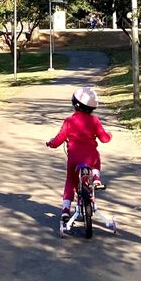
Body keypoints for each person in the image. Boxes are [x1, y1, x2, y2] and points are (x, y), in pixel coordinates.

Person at [46, 86, 112, 232]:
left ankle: (65, 209)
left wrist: (50, 143)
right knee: (97, 160)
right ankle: (96, 178)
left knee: (71, 181)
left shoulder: (69, 121)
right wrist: (109, 135)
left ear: (75, 104)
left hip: (74, 158)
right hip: (90, 157)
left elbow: (58, 140)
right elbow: (104, 138)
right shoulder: (94, 120)